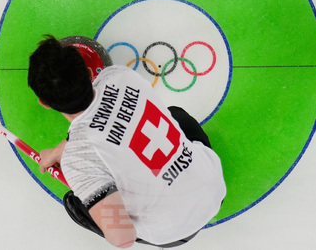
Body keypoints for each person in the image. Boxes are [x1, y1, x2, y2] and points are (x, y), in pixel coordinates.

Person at [28, 36, 226, 247]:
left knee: (76, 202)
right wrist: (63, 150)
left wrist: (81, 175)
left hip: (175, 230)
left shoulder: (78, 161)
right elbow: (103, 124)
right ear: (88, 73)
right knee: (174, 114)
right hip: (212, 184)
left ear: (45, 104)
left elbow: (124, 239)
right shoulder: (119, 75)